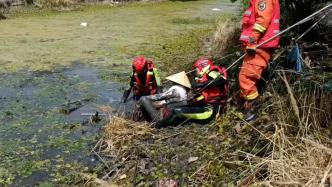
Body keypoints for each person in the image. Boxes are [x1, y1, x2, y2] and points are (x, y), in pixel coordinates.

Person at [142, 58, 228, 128]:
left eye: (196, 69)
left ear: (202, 67)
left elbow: (222, 80)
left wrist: (201, 84)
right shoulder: (204, 77)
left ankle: (158, 125)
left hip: (209, 112)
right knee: (176, 109)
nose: (196, 71)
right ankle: (164, 121)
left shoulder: (211, 72)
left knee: (177, 111)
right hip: (202, 107)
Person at [238, 0, 280, 111]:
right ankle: (246, 102)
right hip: (260, 44)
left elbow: (262, 21)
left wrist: (252, 41)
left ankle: (253, 108)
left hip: (261, 44)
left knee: (246, 77)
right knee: (248, 74)